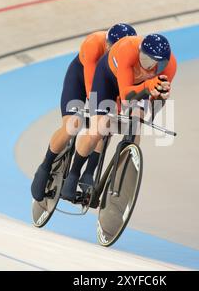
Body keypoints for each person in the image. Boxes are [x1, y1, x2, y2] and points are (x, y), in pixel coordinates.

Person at [60, 33, 177, 201]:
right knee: (99, 128)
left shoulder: (170, 67)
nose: (148, 67)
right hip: (110, 78)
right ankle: (74, 173)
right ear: (139, 52)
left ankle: (119, 179)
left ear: (165, 63)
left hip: (142, 87)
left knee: (135, 130)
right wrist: (147, 85)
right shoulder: (127, 50)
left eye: (155, 64)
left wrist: (158, 98)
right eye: (145, 60)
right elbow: (125, 96)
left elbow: (154, 104)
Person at [30, 23, 137, 202]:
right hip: (81, 78)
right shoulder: (93, 43)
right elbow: (90, 87)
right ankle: (45, 165)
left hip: (108, 81)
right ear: (108, 44)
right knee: (73, 125)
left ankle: (88, 171)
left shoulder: (130, 56)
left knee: (106, 125)